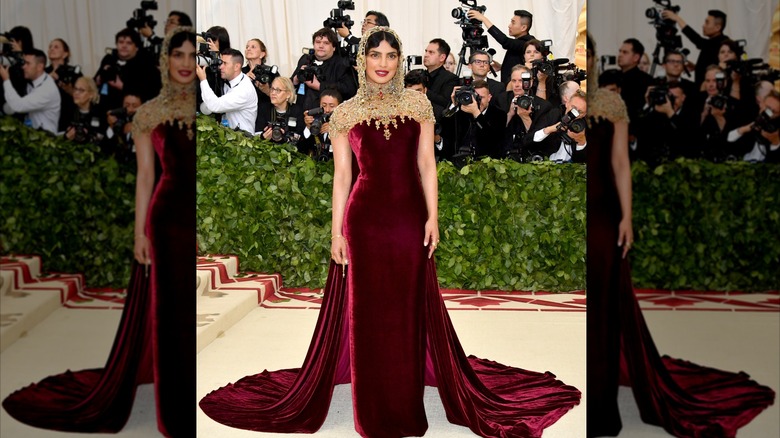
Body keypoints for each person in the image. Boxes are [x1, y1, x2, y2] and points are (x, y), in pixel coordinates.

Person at [199, 26, 581, 438]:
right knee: (367, 311)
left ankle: (403, 394)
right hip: (363, 221)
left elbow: (427, 166)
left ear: (400, 61)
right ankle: (374, 404)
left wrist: (433, 217)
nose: (383, 63)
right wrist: (337, 233)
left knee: (407, 306)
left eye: (391, 56)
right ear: (363, 59)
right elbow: (342, 177)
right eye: (375, 55)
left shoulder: (418, 105)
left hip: (408, 217)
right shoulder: (345, 113)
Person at [2, 26, 197, 438]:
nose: (185, 63)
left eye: (192, 55)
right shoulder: (149, 114)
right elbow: (146, 178)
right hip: (165, 219)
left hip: (193, 213)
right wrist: (140, 234)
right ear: (165, 59)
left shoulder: (206, 106)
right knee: (171, 312)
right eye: (177, 54)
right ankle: (174, 403)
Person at [585, 33, 775, 438]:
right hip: (577, 210)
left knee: (602, 306)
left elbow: (621, 165)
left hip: (603, 215)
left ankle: (600, 406)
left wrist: (627, 217)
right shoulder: (567, 103)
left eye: (588, 52)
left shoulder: (609, 103)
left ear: (594, 59)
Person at [291, 28, 357, 112]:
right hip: (302, 110)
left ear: (334, 47)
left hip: (328, 113)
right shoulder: (305, 59)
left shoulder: (342, 63)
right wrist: (296, 79)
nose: (321, 46)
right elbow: (291, 84)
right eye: (318, 42)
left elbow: (349, 89)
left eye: (326, 43)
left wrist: (319, 86)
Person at [662, 9, 730, 88]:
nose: (703, 25)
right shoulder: (712, 43)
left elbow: (697, 39)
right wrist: (696, 67)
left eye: (707, 22)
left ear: (717, 27)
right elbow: (712, 64)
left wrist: (677, 18)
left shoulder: (722, 43)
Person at [0, 48, 61, 134]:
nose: (23, 67)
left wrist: (6, 79)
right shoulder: (36, 79)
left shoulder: (46, 90)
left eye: (28, 63)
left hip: (46, 138)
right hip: (32, 133)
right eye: (24, 63)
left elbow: (18, 106)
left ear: (39, 67)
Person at [197, 48, 258, 133]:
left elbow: (215, 106)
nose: (220, 67)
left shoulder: (243, 90)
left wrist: (203, 80)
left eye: (225, 63)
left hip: (243, 138)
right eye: (221, 63)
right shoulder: (233, 78)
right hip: (230, 134)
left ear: (236, 67)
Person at [467, 9, 535, 84]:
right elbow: (519, 64)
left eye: (513, 23)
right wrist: (502, 67)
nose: (509, 26)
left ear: (523, 28)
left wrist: (483, 19)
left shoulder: (527, 43)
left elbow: (505, 41)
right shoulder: (519, 43)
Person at [255, 76, 304, 142]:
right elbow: (257, 133)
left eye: (278, 90)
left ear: (288, 94)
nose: (273, 93)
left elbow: (300, 137)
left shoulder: (297, 111)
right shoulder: (264, 108)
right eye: (272, 89)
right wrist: (263, 136)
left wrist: (284, 138)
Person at [298, 88, 342, 160]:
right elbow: (302, 149)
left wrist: (335, 130)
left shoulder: (344, 124)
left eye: (331, 106)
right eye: (324, 105)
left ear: (339, 107)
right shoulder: (315, 120)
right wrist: (308, 127)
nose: (327, 110)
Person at [64, 76, 105, 145]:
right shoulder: (68, 110)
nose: (76, 93)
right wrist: (66, 137)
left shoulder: (99, 113)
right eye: (75, 89)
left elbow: (103, 139)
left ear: (91, 94)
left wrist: (88, 138)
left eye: (81, 90)